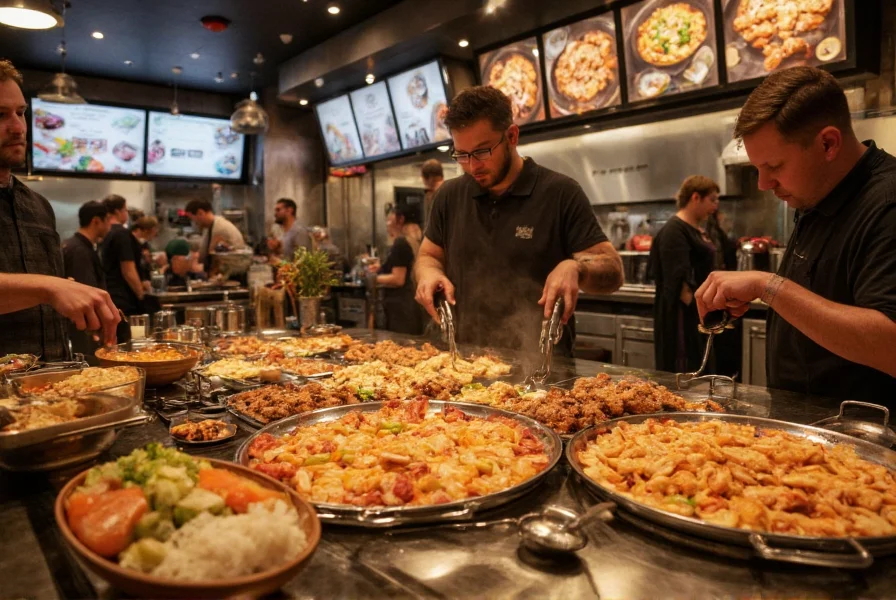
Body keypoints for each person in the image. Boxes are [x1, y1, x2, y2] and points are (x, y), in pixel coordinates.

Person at [695, 66, 896, 402]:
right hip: (810, 434)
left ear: (828, 143)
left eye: (774, 167)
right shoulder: (817, 195)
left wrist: (767, 286)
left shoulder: (887, 203)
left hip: (869, 442)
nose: (763, 184)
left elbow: (890, 343)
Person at [414, 86, 623, 355]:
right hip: (460, 362)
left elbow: (613, 271)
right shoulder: (448, 195)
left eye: (481, 152)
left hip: (540, 368)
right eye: (462, 155)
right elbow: (428, 256)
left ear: (511, 136)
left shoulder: (560, 193)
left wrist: (576, 268)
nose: (472, 166)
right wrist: (429, 273)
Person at [0, 59, 118, 357]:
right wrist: (48, 288)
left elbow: (45, 288)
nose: (17, 127)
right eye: (0, 115)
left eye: (21, 113)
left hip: (51, 386)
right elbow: (44, 288)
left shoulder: (37, 205)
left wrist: (76, 295)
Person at [648, 176, 720, 373]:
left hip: (698, 314)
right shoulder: (674, 231)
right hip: (682, 319)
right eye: (712, 199)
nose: (715, 206)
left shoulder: (695, 229)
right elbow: (680, 285)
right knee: (686, 375)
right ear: (695, 197)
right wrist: (698, 317)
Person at [370, 206, 424, 335]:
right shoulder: (415, 240)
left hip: (401, 308)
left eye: (390, 218)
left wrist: (370, 278)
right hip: (411, 304)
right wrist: (382, 268)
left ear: (400, 220)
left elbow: (398, 279)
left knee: (401, 347)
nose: (387, 223)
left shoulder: (401, 242)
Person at [100, 194, 145, 340]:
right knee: (131, 342)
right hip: (124, 297)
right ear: (118, 212)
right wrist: (141, 294)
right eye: (125, 210)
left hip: (111, 295)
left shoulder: (106, 233)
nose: (127, 214)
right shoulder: (121, 234)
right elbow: (128, 269)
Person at [184, 199, 246, 271]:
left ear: (200, 213)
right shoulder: (210, 226)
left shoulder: (220, 228)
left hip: (232, 273)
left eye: (192, 219)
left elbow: (210, 258)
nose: (194, 223)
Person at [63, 200, 111, 290]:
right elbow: (85, 291)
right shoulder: (79, 251)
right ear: (96, 221)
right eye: (107, 219)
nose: (109, 224)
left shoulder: (77, 245)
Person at [131, 215, 159, 284]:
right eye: (154, 230)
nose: (155, 233)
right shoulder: (130, 242)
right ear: (147, 230)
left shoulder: (144, 244)